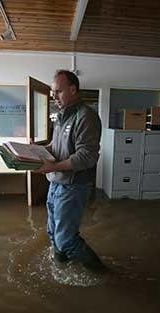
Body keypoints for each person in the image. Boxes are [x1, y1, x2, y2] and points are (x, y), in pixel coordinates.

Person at [34, 70, 105, 272]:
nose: (54, 96)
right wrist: (35, 150)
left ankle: (103, 274)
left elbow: (87, 156)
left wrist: (53, 166)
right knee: (52, 231)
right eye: (52, 93)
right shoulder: (61, 116)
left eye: (58, 91)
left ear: (73, 89)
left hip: (74, 186)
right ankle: (62, 269)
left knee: (65, 238)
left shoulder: (86, 116)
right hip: (56, 182)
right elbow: (55, 147)